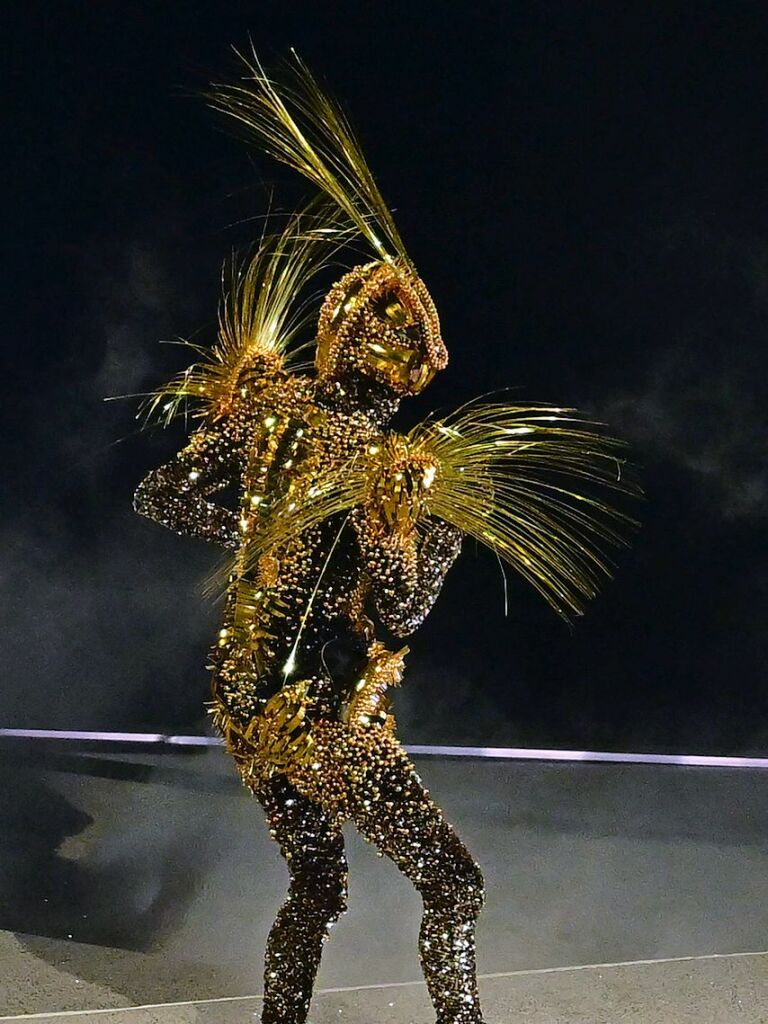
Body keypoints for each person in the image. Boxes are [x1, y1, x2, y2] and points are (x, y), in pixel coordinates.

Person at [133, 49, 635, 1024]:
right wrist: (396, 536)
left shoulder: (277, 411)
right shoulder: (391, 469)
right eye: (407, 343)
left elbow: (165, 493)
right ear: (399, 357)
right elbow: (397, 612)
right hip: (319, 718)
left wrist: (254, 517)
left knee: (319, 889)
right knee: (454, 885)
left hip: (244, 704)